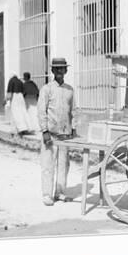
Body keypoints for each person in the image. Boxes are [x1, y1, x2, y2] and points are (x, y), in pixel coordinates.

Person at [37, 58, 76, 206]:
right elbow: (41, 111)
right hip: (51, 134)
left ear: (66, 71)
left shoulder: (69, 90)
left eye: (62, 69)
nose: (60, 72)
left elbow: (73, 110)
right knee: (48, 164)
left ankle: (59, 192)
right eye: (57, 69)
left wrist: (74, 128)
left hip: (65, 135)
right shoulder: (46, 89)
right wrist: (44, 130)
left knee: (64, 165)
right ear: (52, 71)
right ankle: (47, 194)